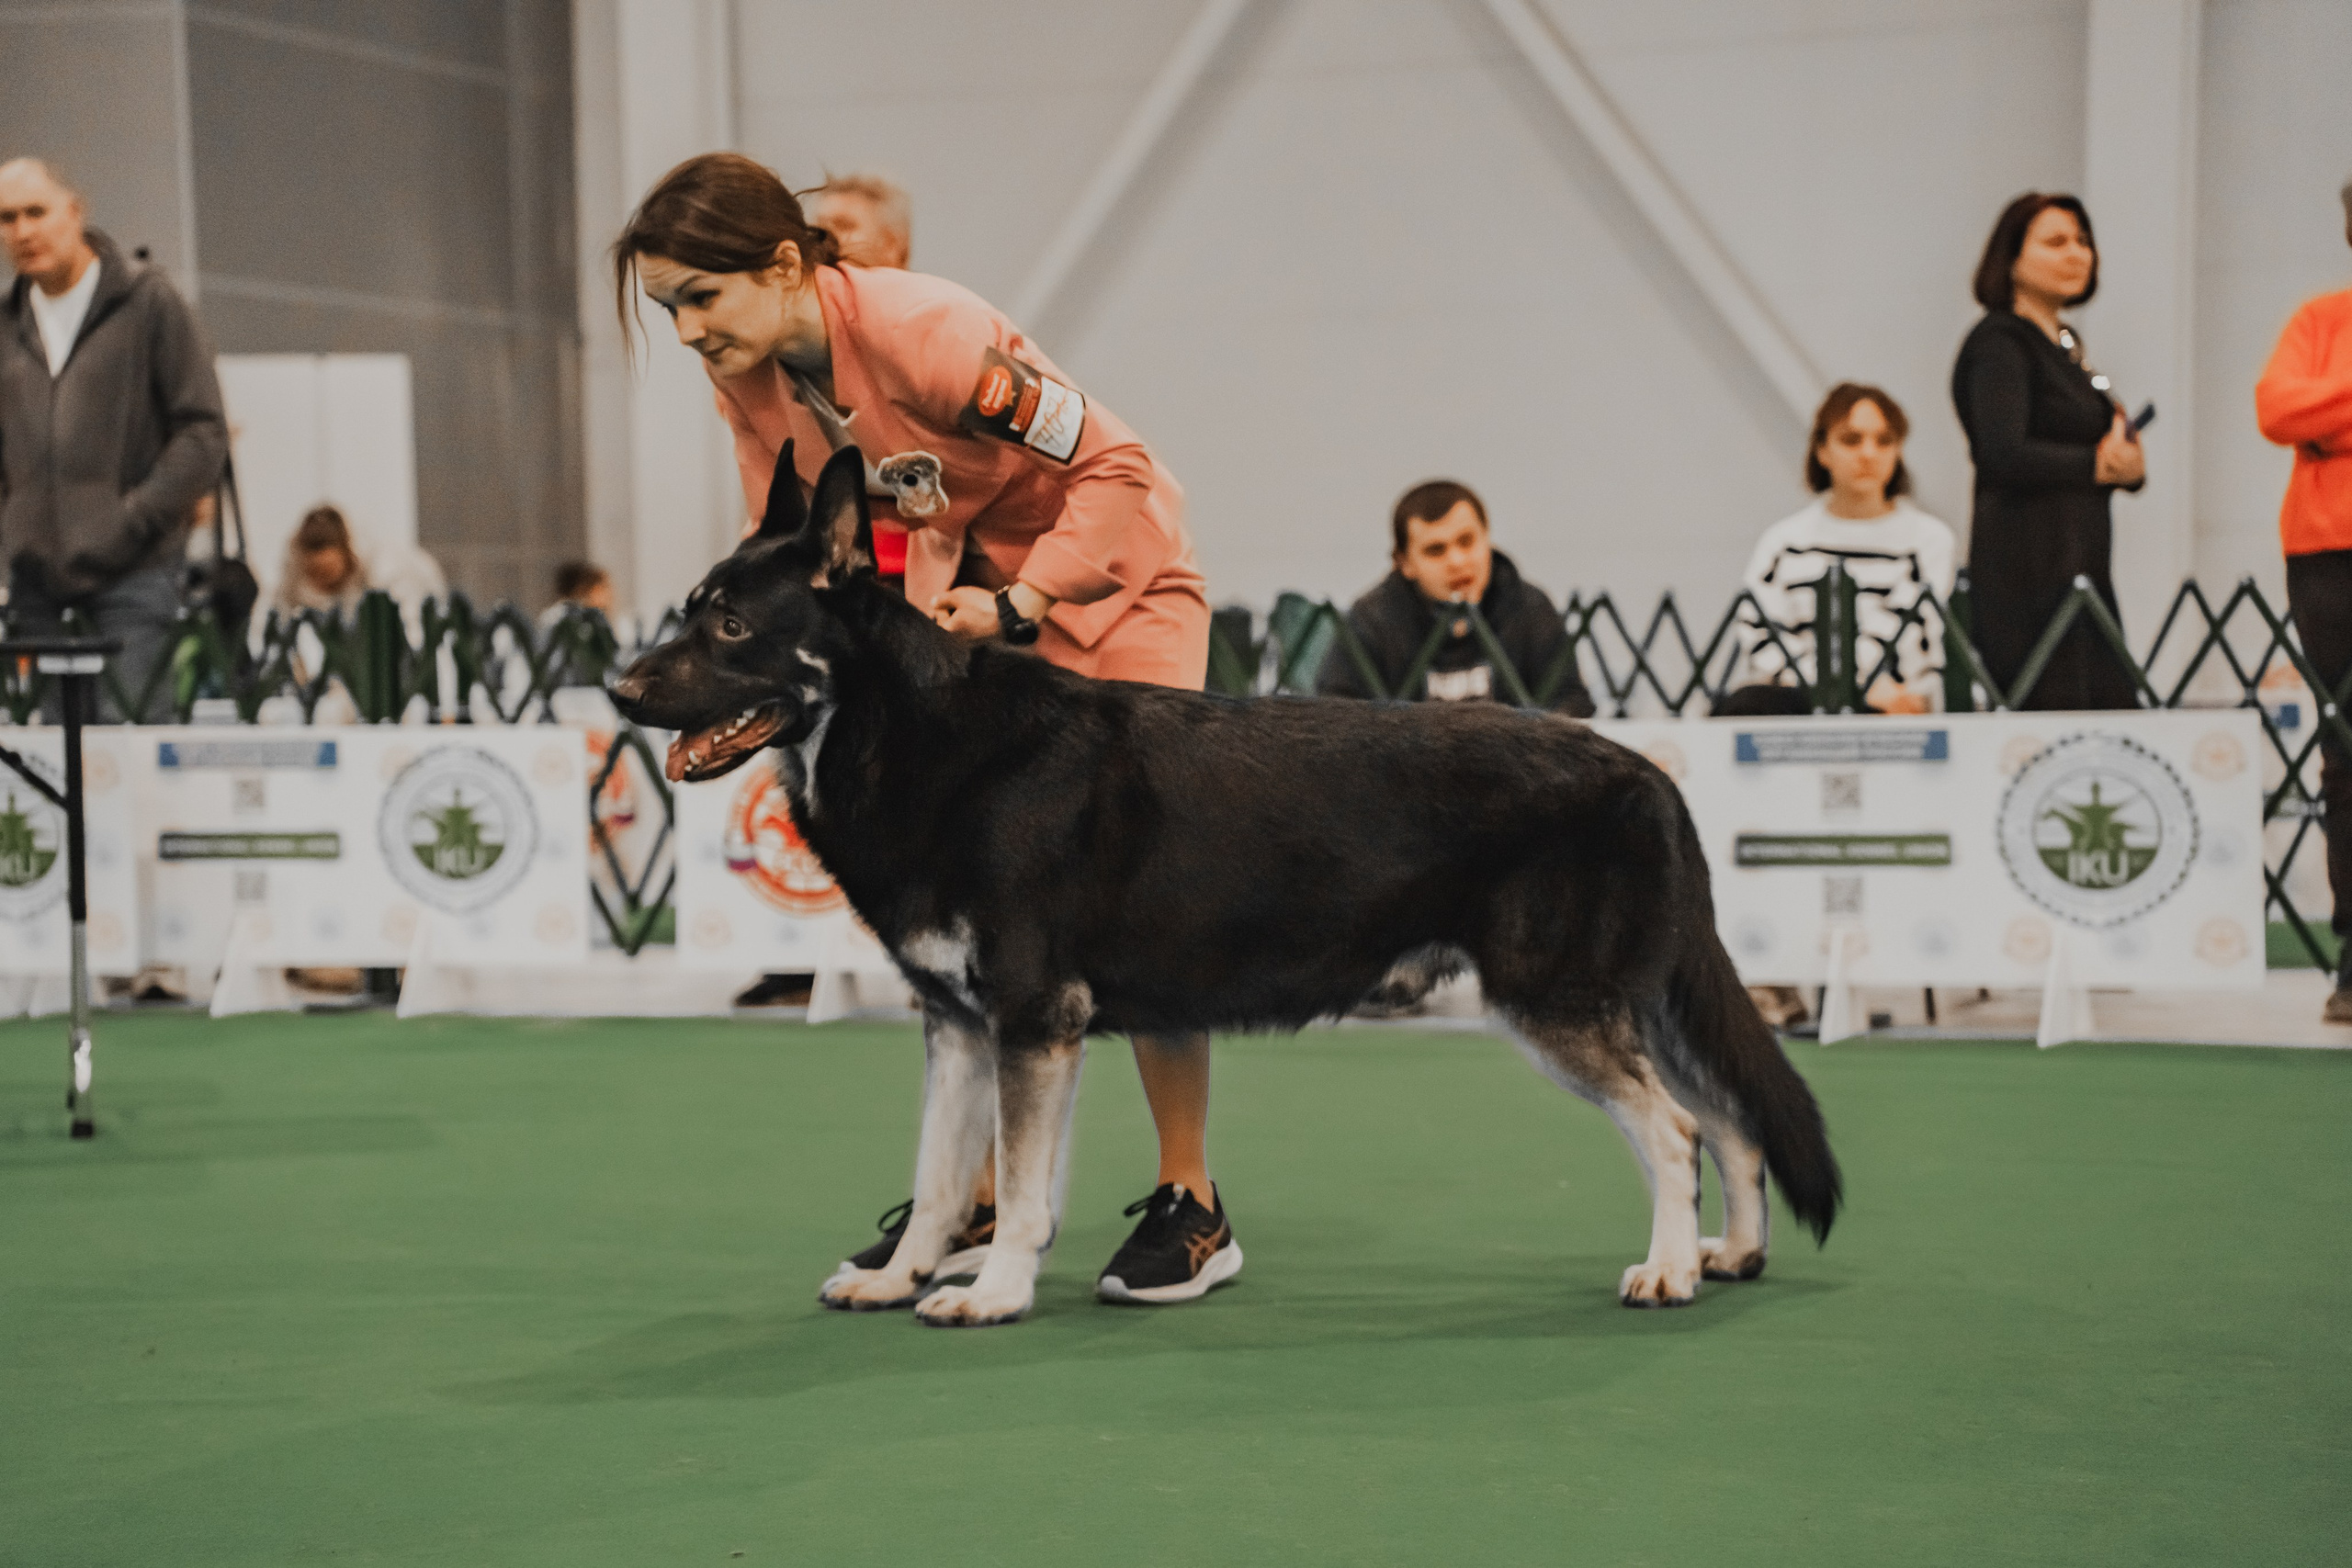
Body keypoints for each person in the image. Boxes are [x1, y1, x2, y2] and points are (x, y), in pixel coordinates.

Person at [613, 152, 1236, 1304]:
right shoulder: (748, 376)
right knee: (960, 916)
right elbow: (793, 542)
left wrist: (1024, 602)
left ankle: (1189, 1201)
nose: (688, 330)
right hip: (957, 612)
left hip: (1105, 591)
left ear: (785, 264)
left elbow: (1122, 468)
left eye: (701, 297)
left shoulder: (931, 328)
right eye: (668, 309)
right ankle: (975, 1202)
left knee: (1137, 908)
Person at [0, 157, 226, 720]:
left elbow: (202, 430)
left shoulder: (150, 302)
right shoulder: (4, 324)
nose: (23, 231)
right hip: (36, 590)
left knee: (132, 768)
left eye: (36, 212)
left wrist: (133, 518)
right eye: (6, 218)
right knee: (50, 775)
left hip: (136, 578)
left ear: (75, 212)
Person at [1951, 192, 2146, 712]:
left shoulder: (2068, 345)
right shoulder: (2000, 343)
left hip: (2083, 568)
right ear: (2011, 258)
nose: (2077, 253)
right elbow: (2001, 452)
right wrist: (2095, 466)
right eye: (2056, 241)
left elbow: (2105, 434)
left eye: (2084, 241)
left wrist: (2128, 466)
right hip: (2026, 579)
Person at [2258, 177, 2352, 1023]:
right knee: (2347, 751)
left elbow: (2308, 415)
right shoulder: (2320, 319)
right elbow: (2275, 408)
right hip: (2328, 556)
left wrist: (2331, 426)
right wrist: (2311, 420)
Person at [1726, 383, 1956, 716]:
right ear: (1822, 450)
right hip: (1798, 706)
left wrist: (1865, 691)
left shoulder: (1930, 539)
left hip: (1894, 706)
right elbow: (1761, 635)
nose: (1868, 453)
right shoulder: (1783, 541)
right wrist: (1829, 691)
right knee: (1745, 704)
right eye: (1851, 440)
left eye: (1884, 440)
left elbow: (1910, 631)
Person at [1316, 479, 1595, 716]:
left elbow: (1572, 702)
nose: (1457, 561)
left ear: (1487, 537)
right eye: (1436, 550)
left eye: (1467, 541)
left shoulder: (1530, 607)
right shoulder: (1371, 620)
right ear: (1404, 563)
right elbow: (1337, 713)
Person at [272, 505, 369, 617]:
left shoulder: (368, 579)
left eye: (328, 571)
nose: (322, 580)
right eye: (313, 572)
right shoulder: (290, 591)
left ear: (347, 559)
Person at [808, 173, 910, 270]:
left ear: (890, 246)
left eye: (843, 226)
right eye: (819, 227)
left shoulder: (924, 288)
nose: (824, 237)